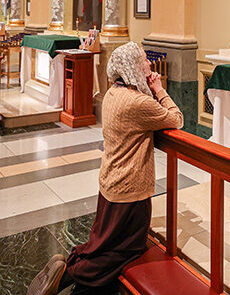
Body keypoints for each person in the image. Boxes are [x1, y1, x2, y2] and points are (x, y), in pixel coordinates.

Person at [27, 41, 183, 295]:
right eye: (143, 59)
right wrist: (159, 89)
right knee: (127, 249)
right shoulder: (137, 103)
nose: (149, 63)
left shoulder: (114, 93)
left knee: (103, 241)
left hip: (111, 182)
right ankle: (69, 275)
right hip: (131, 188)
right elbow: (176, 118)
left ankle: (68, 263)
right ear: (132, 66)